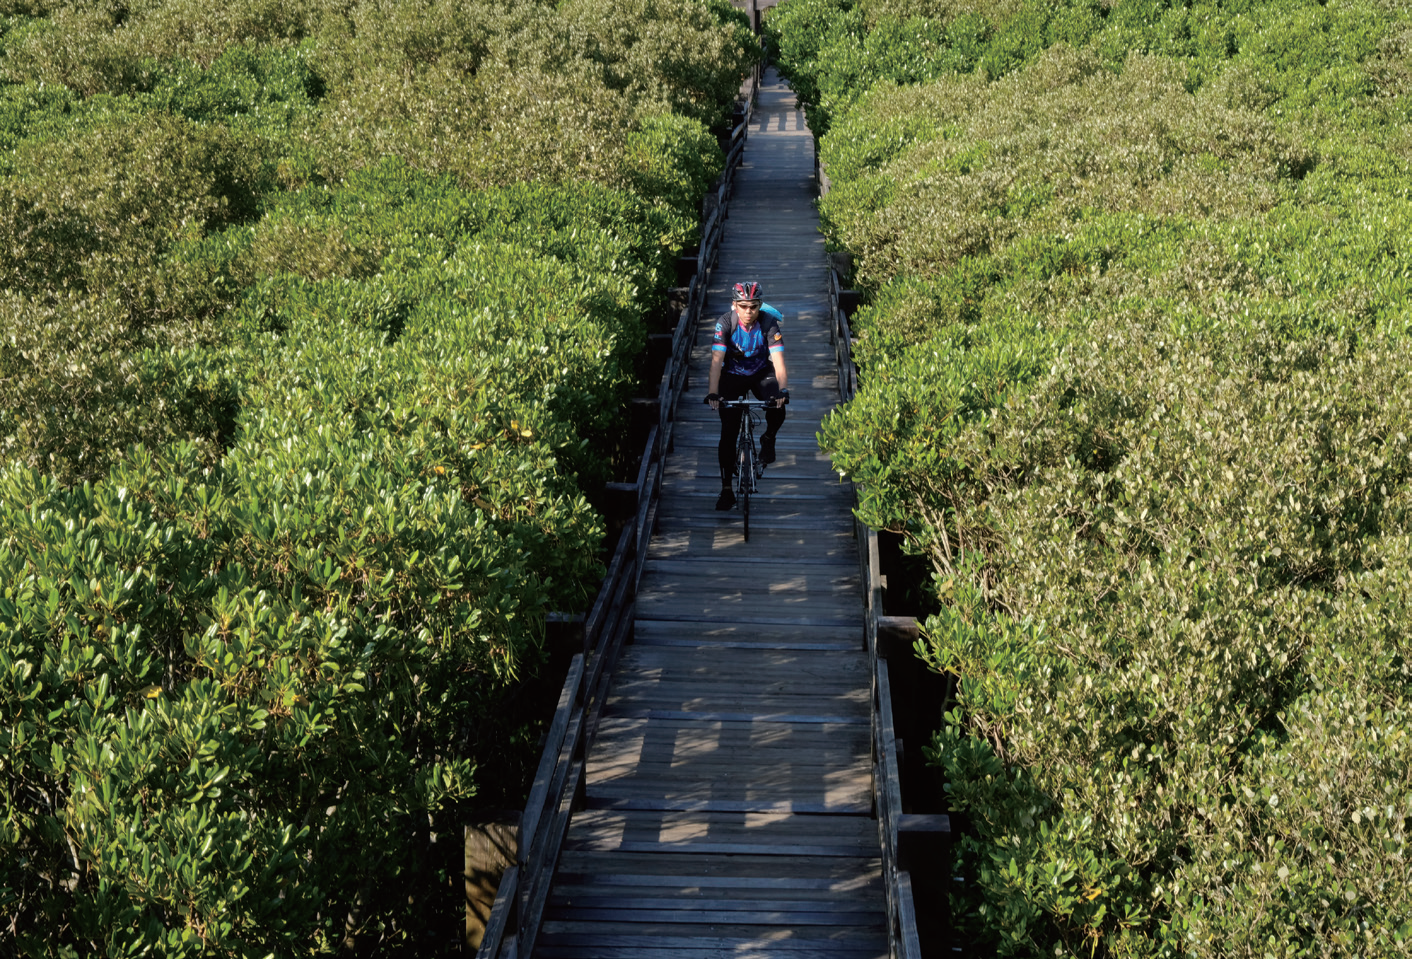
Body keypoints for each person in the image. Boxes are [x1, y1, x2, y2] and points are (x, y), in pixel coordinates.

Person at [705, 281, 789, 511]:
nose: (748, 312)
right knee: (728, 433)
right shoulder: (725, 324)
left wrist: (782, 391)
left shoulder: (769, 324)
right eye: (743, 306)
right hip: (732, 375)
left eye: (753, 307)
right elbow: (716, 362)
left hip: (761, 373)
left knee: (778, 407)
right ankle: (726, 491)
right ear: (734, 305)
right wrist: (713, 393)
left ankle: (768, 438)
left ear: (759, 306)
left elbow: (779, 363)